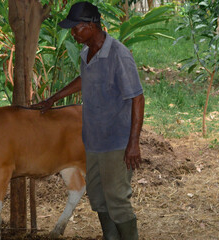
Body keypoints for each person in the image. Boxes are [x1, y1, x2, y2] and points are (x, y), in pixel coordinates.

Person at [33, 2, 145, 240]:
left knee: (117, 198)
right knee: (97, 196)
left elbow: (137, 98)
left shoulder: (118, 55)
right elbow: (84, 77)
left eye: (76, 28)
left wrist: (133, 143)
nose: (72, 33)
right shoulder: (87, 52)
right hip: (93, 140)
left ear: (91, 26)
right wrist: (54, 98)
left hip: (116, 142)